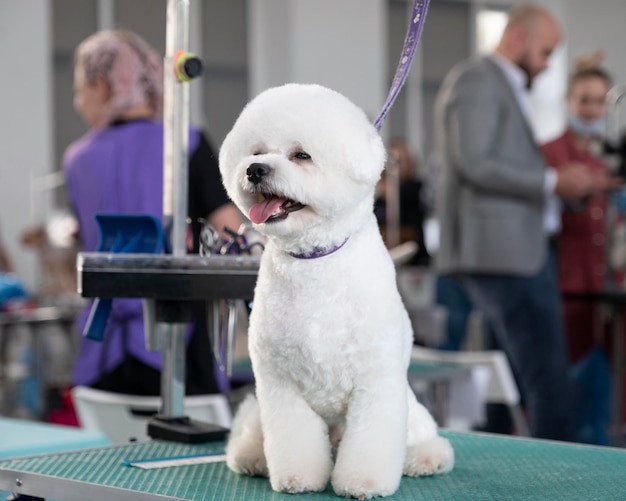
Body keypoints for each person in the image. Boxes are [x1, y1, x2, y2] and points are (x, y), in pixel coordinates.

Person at [433, 4, 613, 441]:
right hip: (504, 255)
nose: (549, 63)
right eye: (545, 51)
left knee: (508, 380)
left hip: (509, 250)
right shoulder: (479, 78)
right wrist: (553, 180)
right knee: (550, 384)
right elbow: (475, 161)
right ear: (517, 39)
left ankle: (502, 470)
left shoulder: (503, 85)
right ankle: (562, 479)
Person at [64, 30, 243, 396]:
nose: (78, 102)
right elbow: (231, 233)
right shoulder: (187, 141)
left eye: (79, 90)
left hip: (105, 346)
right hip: (180, 344)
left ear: (101, 85)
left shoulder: (76, 159)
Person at [541, 54, 620, 363]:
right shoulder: (548, 154)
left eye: (600, 101)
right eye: (584, 100)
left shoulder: (614, 159)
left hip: (612, 288)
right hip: (565, 288)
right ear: (567, 101)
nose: (591, 110)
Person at [374, 138, 430, 265]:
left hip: (416, 263)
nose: (396, 166)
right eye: (393, 161)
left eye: (400, 161)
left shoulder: (416, 189)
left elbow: (395, 193)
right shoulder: (379, 201)